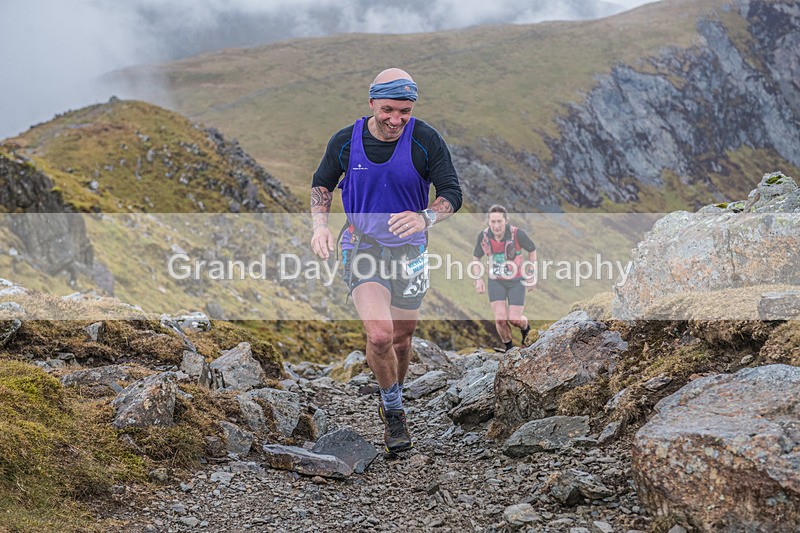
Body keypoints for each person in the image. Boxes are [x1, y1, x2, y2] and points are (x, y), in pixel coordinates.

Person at [310, 68, 462, 452]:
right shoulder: (346, 141)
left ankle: (394, 391)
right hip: (361, 246)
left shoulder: (425, 140)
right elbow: (322, 183)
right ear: (372, 103)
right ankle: (394, 410)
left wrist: (425, 217)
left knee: (402, 339)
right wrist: (320, 227)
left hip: (410, 251)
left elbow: (451, 193)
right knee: (379, 335)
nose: (396, 120)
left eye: (405, 111)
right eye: (388, 110)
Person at [471, 205, 537, 352]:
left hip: (516, 281)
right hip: (496, 281)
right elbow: (476, 257)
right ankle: (509, 350)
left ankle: (526, 328)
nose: (496, 225)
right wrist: (478, 279)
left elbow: (532, 249)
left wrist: (531, 273)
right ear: (488, 222)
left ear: (506, 221)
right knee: (500, 319)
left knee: (515, 319)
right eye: (493, 222)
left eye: (499, 221)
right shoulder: (484, 236)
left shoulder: (517, 234)